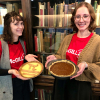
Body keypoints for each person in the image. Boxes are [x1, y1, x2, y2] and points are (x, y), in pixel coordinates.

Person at [45, 2, 100, 100]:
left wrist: (86, 65)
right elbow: (60, 56)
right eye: (77, 16)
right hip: (61, 83)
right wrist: (55, 58)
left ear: (91, 18)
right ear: (74, 19)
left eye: (85, 16)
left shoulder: (97, 41)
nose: (81, 20)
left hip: (81, 87)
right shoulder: (67, 38)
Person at [0, 11, 38, 100]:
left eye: (21, 23)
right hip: (10, 84)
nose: (21, 27)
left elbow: (19, 63)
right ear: (8, 26)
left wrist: (25, 58)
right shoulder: (1, 44)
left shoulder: (22, 42)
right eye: (16, 24)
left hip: (24, 82)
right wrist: (11, 71)